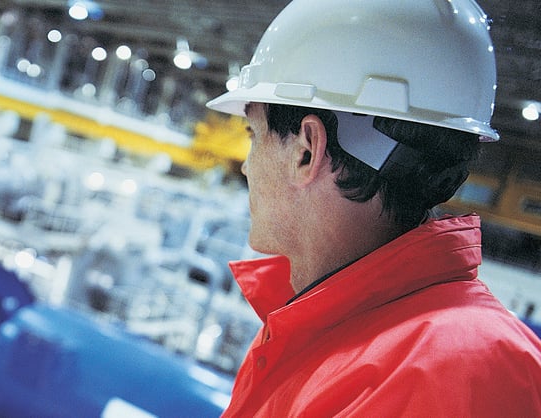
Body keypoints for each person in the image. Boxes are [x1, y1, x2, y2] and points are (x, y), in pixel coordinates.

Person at [204, 0, 541, 416]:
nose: (245, 165)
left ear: (307, 152)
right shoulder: (343, 333)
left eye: (253, 134)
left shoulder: (457, 371)